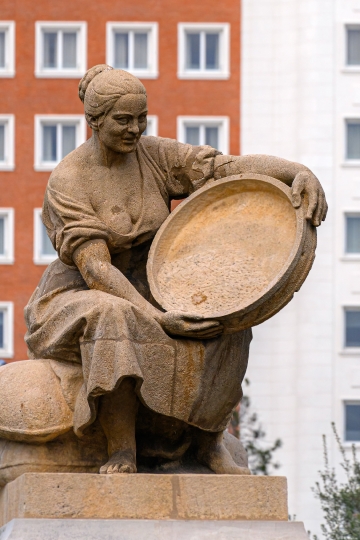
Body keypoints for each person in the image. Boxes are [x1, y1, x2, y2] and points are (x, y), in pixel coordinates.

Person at [24, 64, 327, 475]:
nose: (135, 129)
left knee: (226, 317)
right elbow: (96, 268)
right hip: (78, 293)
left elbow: (223, 169)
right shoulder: (70, 180)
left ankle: (208, 442)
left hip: (152, 283)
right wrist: (159, 317)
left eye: (141, 118)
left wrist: (296, 171)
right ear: (93, 121)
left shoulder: (155, 155)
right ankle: (122, 450)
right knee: (115, 314)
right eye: (123, 120)